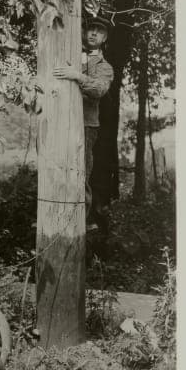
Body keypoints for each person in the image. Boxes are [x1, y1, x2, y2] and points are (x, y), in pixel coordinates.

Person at [52, 17, 114, 230]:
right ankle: (58, 217)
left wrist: (77, 76)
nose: (93, 34)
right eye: (90, 29)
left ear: (104, 38)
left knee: (81, 170)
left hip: (86, 125)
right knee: (59, 167)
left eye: (99, 31)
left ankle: (82, 220)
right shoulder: (72, 55)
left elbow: (98, 90)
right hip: (62, 120)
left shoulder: (105, 67)